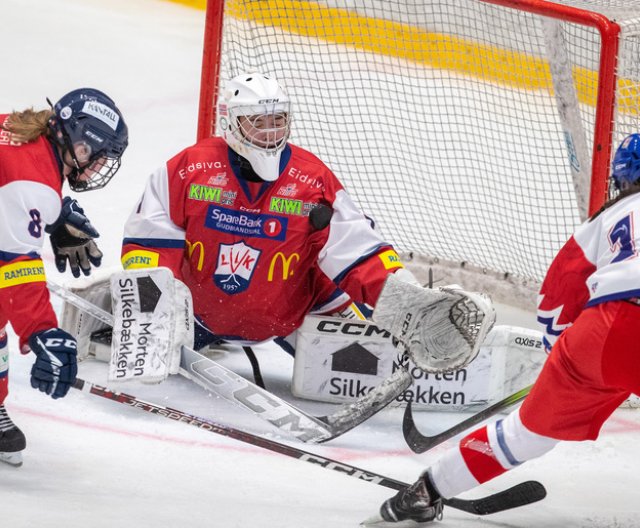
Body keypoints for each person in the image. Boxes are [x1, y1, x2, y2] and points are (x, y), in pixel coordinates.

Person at [367, 133, 640, 525]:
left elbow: (556, 300)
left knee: (525, 434)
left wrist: (564, 360)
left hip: (594, 336)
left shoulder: (603, 220)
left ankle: (427, 490)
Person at [121, 72, 416, 354]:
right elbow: (149, 243)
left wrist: (406, 301)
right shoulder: (189, 169)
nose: (270, 131)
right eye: (257, 122)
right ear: (230, 122)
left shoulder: (313, 180)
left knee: (366, 366)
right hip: (197, 316)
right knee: (145, 343)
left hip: (299, 316)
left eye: (277, 120)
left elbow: (356, 249)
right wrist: (153, 308)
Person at [0, 88, 129, 465]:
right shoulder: (32, 182)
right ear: (80, 145)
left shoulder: (22, 133)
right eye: (98, 157)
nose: (96, 168)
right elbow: (15, 267)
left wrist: (52, 217)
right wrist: (42, 331)